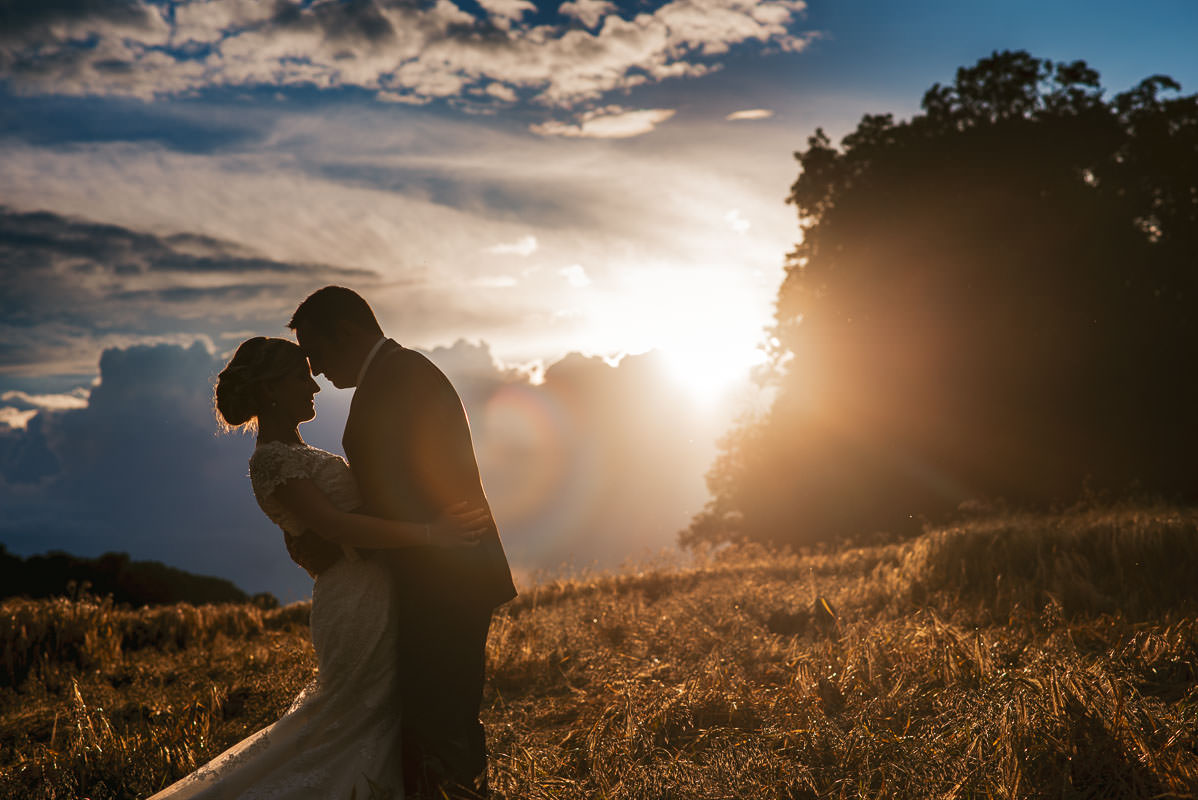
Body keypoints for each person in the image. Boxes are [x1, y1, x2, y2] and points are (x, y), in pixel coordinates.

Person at [147, 336, 489, 799]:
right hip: (354, 600)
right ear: (271, 389)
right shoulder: (272, 460)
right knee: (355, 710)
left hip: (374, 588)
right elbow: (335, 526)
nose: (314, 387)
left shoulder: (298, 452)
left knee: (379, 708)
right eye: (300, 377)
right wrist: (433, 533)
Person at [286, 286, 517, 799]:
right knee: (438, 710)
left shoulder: (400, 378)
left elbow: (410, 489)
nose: (316, 371)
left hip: (446, 575)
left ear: (346, 332)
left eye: (317, 353)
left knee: (440, 714)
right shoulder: (395, 373)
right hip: (441, 569)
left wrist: (339, 538)